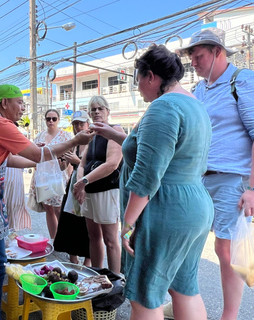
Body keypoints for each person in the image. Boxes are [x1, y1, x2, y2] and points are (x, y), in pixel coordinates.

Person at [0, 84, 95, 320]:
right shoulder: (0, 124)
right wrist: (72, 141)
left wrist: (40, 158)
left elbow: (13, 160)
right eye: (19, 102)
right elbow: (36, 154)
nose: (23, 108)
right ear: (5, 103)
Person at [95, 44, 214, 320]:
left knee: (146, 295)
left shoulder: (163, 107)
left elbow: (147, 176)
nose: (137, 88)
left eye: (137, 80)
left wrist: (126, 224)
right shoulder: (196, 105)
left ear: (150, 76)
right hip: (194, 206)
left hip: (165, 209)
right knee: (184, 287)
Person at [173, 28, 254, 320]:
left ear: (218, 52)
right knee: (188, 239)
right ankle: (185, 302)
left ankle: (229, 316)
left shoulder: (241, 80)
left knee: (225, 249)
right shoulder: (198, 90)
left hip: (232, 177)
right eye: (191, 57)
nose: (192, 62)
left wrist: (253, 189)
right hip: (199, 177)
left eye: (198, 56)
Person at [72, 96, 123, 274]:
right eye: (93, 109)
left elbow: (112, 164)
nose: (96, 112)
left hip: (107, 191)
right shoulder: (92, 136)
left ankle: (116, 279)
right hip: (89, 192)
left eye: (100, 108)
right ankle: (96, 274)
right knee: (93, 237)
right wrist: (81, 183)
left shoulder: (115, 131)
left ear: (108, 111)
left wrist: (84, 181)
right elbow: (82, 164)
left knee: (110, 239)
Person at [53, 110, 91, 266]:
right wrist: (60, 158)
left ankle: (89, 261)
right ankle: (73, 260)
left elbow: (98, 167)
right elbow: (63, 167)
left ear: (88, 124)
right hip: (73, 186)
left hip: (89, 185)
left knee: (87, 226)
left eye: (81, 123)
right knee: (69, 223)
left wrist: (77, 161)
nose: (78, 127)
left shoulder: (94, 141)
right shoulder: (73, 143)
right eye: (75, 124)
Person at [28, 109, 72, 239]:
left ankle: (64, 240)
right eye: (48, 119)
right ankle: (54, 239)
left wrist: (70, 176)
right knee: (48, 209)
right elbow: (33, 155)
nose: (51, 121)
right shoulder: (40, 136)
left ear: (58, 120)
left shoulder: (65, 136)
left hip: (59, 176)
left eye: (54, 118)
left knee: (59, 209)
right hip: (42, 177)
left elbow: (69, 158)